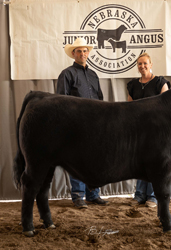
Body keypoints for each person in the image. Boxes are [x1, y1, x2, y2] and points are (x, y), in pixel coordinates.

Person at [57, 37, 108, 208]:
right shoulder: (67, 74)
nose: (83, 53)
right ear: (73, 54)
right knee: (77, 160)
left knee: (95, 159)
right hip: (76, 124)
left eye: (85, 50)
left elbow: (100, 99)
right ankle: (78, 196)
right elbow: (61, 101)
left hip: (95, 124)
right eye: (79, 51)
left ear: (88, 53)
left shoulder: (94, 75)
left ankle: (93, 195)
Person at [127, 52, 171, 208]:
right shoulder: (132, 85)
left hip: (156, 130)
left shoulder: (160, 82)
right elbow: (129, 108)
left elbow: (166, 107)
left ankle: (153, 197)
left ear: (151, 65)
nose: (142, 66)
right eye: (139, 64)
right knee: (140, 163)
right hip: (139, 130)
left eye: (145, 63)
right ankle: (139, 195)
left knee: (155, 163)